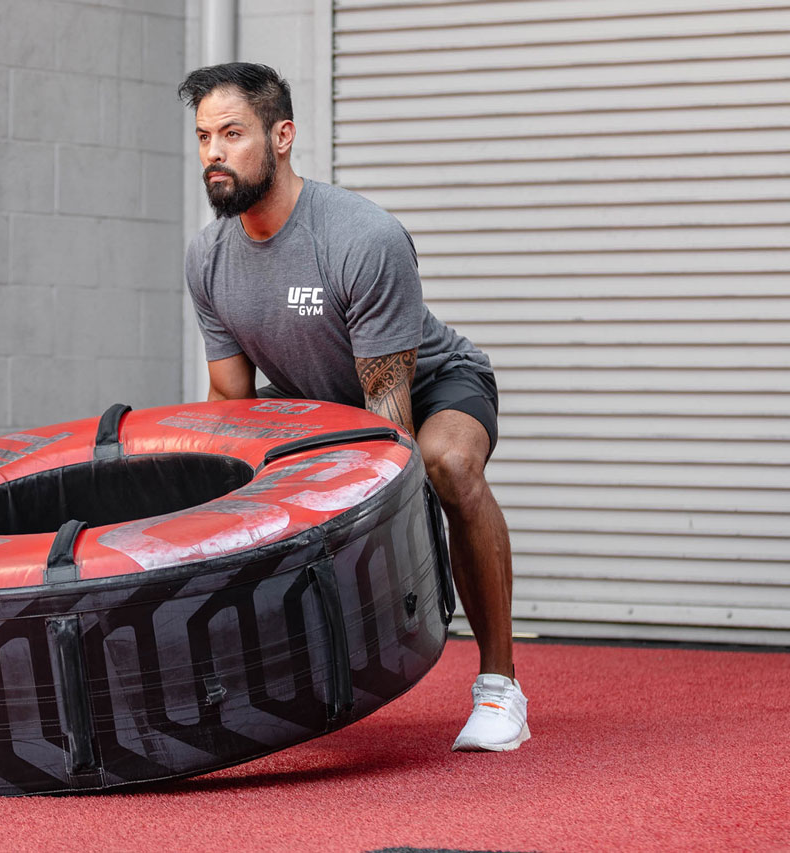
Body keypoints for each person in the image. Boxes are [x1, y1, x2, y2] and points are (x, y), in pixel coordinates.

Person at [178, 62, 529, 752]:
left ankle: (499, 685)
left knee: (448, 464)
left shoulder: (361, 237)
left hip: (427, 388)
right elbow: (230, 400)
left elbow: (388, 422)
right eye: (202, 137)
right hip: (315, 400)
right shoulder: (208, 258)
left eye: (231, 133)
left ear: (282, 137)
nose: (213, 153)